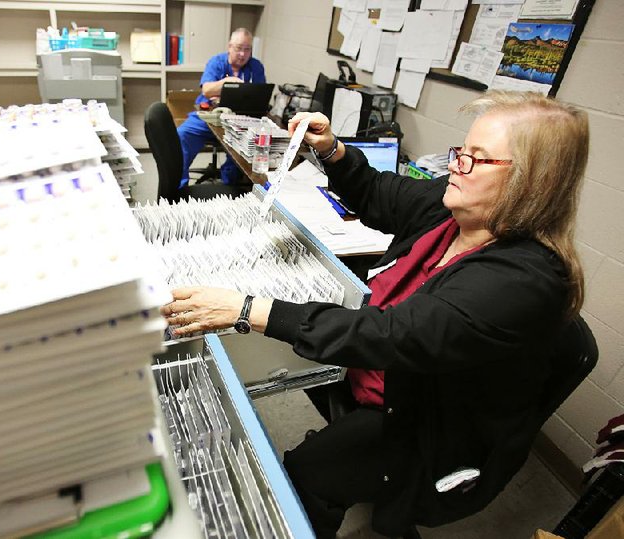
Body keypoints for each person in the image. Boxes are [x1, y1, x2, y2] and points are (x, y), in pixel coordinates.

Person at [160, 91, 589, 537]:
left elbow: (393, 334)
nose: (455, 167)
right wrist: (331, 149)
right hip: (389, 374)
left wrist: (248, 309)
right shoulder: (456, 215)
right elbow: (379, 191)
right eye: (459, 152)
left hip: (427, 421)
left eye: (475, 160)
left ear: (531, 182)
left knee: (304, 474)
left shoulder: (525, 279)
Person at [176, 28, 266, 188]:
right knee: (182, 135)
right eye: (239, 48)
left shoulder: (256, 67)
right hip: (209, 116)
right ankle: (179, 185)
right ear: (230, 46)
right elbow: (207, 90)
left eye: (247, 49)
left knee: (246, 146)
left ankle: (228, 186)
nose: (242, 54)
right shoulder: (216, 62)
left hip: (240, 120)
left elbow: (260, 94)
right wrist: (227, 82)